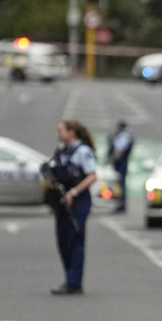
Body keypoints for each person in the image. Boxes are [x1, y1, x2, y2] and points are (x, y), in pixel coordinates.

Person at [49, 120, 98, 295]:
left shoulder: (82, 151)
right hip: (61, 200)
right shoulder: (61, 152)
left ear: (72, 132)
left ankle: (74, 282)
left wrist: (74, 192)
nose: (58, 134)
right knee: (63, 241)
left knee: (75, 239)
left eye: (61, 130)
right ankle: (69, 277)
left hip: (78, 200)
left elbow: (92, 176)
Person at [107, 120, 134, 213]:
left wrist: (113, 158)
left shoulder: (124, 136)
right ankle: (120, 203)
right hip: (121, 163)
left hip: (120, 164)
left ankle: (120, 204)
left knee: (119, 184)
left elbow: (119, 150)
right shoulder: (125, 135)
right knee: (119, 184)